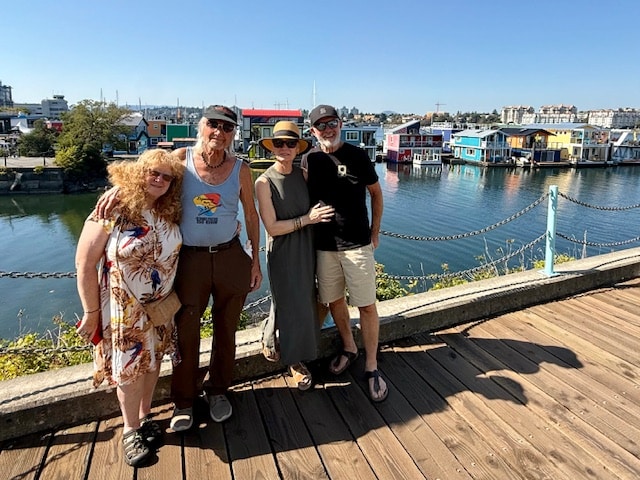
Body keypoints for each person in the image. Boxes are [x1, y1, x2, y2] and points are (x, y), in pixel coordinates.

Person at [97, 105, 262, 431]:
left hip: (230, 256)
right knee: (185, 332)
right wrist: (120, 188)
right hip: (190, 260)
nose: (219, 132)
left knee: (226, 329)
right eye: (213, 124)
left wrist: (255, 260)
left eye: (227, 127)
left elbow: (251, 215)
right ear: (201, 126)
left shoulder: (240, 168)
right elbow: (150, 174)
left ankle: (218, 391)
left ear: (234, 133)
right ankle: (183, 400)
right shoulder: (182, 158)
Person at [75, 149, 184, 467]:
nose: (160, 180)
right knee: (129, 369)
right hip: (124, 310)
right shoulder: (112, 209)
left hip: (161, 306)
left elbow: (190, 155)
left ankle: (146, 415)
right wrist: (91, 312)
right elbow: (84, 264)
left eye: (167, 176)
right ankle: (130, 429)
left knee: (152, 363)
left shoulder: (168, 210)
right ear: (138, 172)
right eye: (153, 173)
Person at [303, 104, 388, 402]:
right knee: (333, 300)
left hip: (357, 245)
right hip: (325, 247)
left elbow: (376, 194)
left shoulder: (357, 155)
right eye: (321, 125)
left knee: (366, 305)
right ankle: (350, 347)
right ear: (313, 131)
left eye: (332, 123)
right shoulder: (309, 160)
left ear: (340, 124)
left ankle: (372, 365)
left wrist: (375, 232)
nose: (328, 129)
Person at [254, 121, 335, 390]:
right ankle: (295, 362)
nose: (285, 148)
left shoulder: (303, 174)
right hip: (284, 251)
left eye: (291, 143)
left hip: (308, 247)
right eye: (279, 143)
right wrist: (307, 219)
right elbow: (273, 228)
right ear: (272, 147)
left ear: (298, 148)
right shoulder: (263, 182)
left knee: (309, 301)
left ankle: (275, 338)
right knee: (290, 304)